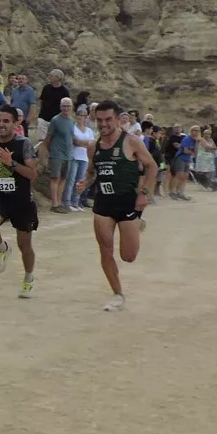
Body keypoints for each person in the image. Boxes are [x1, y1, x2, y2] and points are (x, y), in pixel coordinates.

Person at [80, 100, 158, 312]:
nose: (103, 124)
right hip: (103, 203)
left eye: (108, 119)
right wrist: (85, 182)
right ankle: (117, 294)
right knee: (105, 250)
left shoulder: (131, 141)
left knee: (128, 256)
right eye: (99, 120)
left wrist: (144, 193)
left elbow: (152, 166)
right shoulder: (93, 146)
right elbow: (92, 172)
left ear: (117, 119)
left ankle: (137, 223)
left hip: (127, 203)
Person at [0, 104, 39, 298]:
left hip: (21, 200)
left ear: (16, 124)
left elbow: (32, 174)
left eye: (6, 121)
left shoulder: (23, 144)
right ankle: (3, 248)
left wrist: (11, 163)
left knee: (25, 245)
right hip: (0, 196)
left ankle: (29, 278)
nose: (1, 124)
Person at [38, 98, 76, 213]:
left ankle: (59, 202)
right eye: (64, 106)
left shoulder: (72, 121)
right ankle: (54, 203)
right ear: (60, 107)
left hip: (68, 154)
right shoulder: (55, 120)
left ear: (72, 107)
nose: (66, 108)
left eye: (68, 106)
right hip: (57, 154)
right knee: (55, 178)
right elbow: (48, 138)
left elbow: (71, 137)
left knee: (63, 178)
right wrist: (47, 153)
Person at [68, 107, 96, 211]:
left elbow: (91, 144)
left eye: (83, 115)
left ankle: (76, 202)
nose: (81, 117)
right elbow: (75, 141)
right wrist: (85, 143)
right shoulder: (73, 128)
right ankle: (68, 202)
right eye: (79, 115)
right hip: (74, 156)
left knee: (80, 181)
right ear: (76, 116)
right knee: (71, 180)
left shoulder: (89, 130)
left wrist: (82, 142)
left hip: (85, 157)